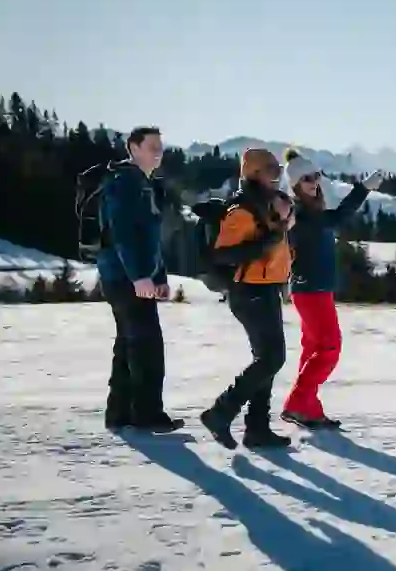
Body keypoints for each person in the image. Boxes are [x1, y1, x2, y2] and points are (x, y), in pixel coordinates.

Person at [279, 148, 383, 429]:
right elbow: (337, 219)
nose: (313, 182)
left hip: (313, 289)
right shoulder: (300, 213)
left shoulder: (311, 210)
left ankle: (309, 409)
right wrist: (362, 189)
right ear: (295, 185)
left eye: (315, 176)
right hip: (311, 290)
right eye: (306, 179)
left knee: (312, 349)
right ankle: (297, 403)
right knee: (329, 347)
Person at [199, 148, 296, 449]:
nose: (278, 176)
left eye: (279, 170)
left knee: (265, 360)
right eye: (272, 170)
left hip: (265, 288)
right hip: (249, 290)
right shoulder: (242, 210)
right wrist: (270, 237)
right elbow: (223, 253)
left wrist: (281, 223)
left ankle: (256, 429)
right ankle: (220, 412)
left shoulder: (267, 204)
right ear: (255, 174)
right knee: (272, 358)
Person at [96, 125, 182, 433]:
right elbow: (122, 234)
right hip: (125, 279)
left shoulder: (142, 183)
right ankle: (147, 414)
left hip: (133, 278)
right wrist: (139, 277)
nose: (158, 151)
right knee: (147, 346)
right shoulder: (124, 182)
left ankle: (119, 413)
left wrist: (158, 276)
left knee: (129, 343)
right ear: (133, 148)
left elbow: (150, 240)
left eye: (160, 146)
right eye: (151, 146)